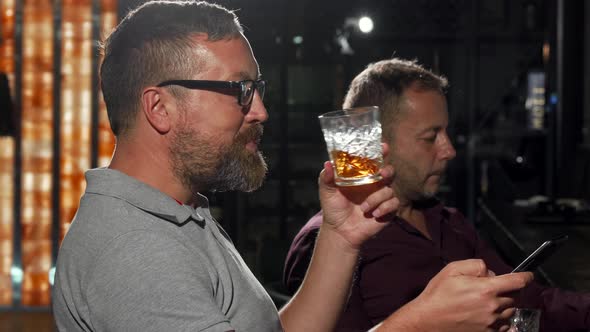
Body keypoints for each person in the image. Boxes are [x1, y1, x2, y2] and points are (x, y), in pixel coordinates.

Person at [52, 2, 532, 331]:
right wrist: (419, 323)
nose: (259, 110)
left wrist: (341, 238)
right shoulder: (135, 250)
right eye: (240, 91)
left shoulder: (177, 214)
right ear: (159, 108)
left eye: (258, 89)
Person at [284, 58, 590, 331]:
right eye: (431, 136)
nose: (450, 150)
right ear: (375, 142)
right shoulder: (328, 246)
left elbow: (531, 299)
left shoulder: (449, 222)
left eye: (446, 133)